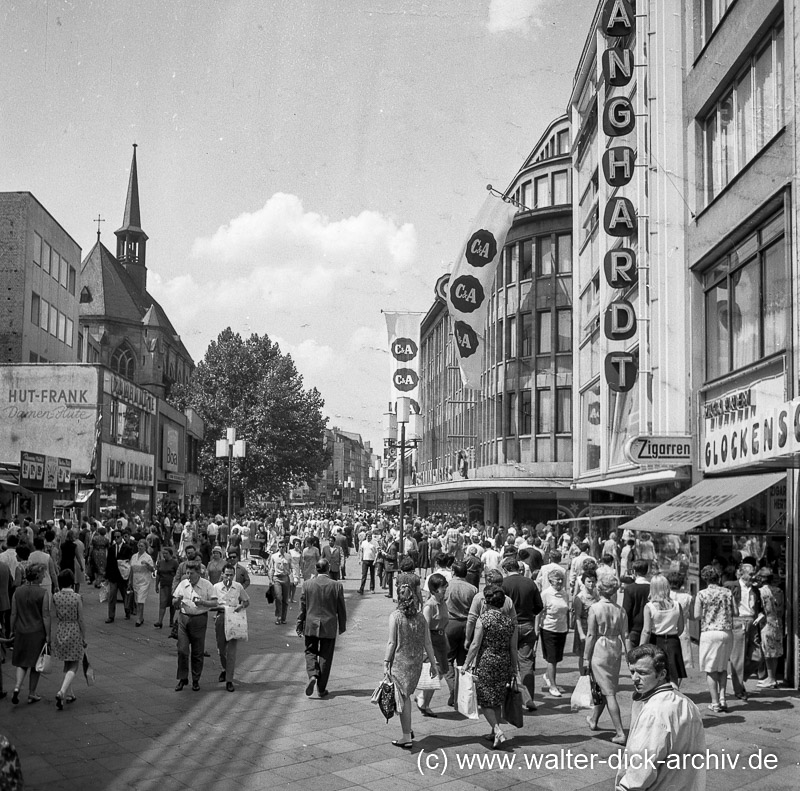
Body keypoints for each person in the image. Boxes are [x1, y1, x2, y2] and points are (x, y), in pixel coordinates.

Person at [615, 644, 706, 791]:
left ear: (662, 674)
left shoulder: (654, 712)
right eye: (632, 671)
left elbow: (642, 768)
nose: (634, 678)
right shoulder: (687, 703)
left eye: (643, 673)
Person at [463, 583, 519, 749]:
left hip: (486, 662)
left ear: (486, 602)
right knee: (496, 698)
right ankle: (494, 732)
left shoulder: (484, 620)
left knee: (485, 700)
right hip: (504, 662)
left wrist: (466, 663)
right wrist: (514, 668)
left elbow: (475, 644)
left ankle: (497, 729)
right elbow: (513, 648)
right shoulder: (510, 622)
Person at [384, 582, 438, 749]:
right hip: (416, 664)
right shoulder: (421, 617)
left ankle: (406, 736)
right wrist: (433, 664)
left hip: (400, 663)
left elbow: (392, 642)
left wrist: (386, 662)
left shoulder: (396, 617)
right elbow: (428, 643)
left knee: (403, 698)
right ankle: (408, 728)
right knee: (405, 696)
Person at [583, 575, 628, 744]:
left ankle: (620, 732)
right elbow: (626, 636)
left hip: (600, 648)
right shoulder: (620, 610)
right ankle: (594, 719)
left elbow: (590, 634)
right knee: (605, 686)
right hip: (614, 648)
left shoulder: (595, 608)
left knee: (609, 692)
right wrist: (630, 657)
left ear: (599, 589)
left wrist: (585, 657)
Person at [297, 558, 346, 698]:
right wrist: (342, 625)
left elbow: (302, 607)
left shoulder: (307, 585)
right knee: (326, 656)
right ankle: (321, 688)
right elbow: (341, 608)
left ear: (316, 569)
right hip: (329, 625)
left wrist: (299, 623)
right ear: (328, 568)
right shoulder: (336, 585)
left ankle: (312, 674)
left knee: (310, 651)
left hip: (311, 624)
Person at [501, 557, 543, 710]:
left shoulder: (503, 584)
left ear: (505, 570)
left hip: (508, 626)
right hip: (527, 625)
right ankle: (528, 699)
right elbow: (539, 606)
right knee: (526, 663)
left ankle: (506, 697)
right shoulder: (530, 583)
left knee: (505, 661)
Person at [695, 564, 736, 712]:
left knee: (710, 669)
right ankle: (723, 698)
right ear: (718, 577)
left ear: (704, 578)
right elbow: (735, 612)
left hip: (709, 632)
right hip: (726, 632)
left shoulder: (701, 594)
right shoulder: (727, 592)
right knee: (722, 667)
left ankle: (715, 702)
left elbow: (696, 615)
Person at [172, 560, 218, 691]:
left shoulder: (207, 585)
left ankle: (196, 679)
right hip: (183, 618)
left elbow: (215, 602)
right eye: (187, 573)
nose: (188, 576)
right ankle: (182, 678)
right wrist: (177, 600)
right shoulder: (183, 584)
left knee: (197, 652)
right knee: (182, 650)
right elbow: (174, 600)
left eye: (191, 573)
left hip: (199, 619)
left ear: (199, 573)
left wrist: (203, 602)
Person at [9, 563, 51, 704]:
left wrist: (11, 630)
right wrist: (48, 635)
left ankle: (17, 687)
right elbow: (45, 615)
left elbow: (13, 613)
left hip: (21, 630)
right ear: (38, 576)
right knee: (35, 664)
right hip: (37, 632)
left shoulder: (18, 591)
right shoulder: (43, 593)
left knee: (22, 663)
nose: (44, 577)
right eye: (43, 574)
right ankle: (32, 693)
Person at [639, 574, 686, 687]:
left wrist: (641, 647)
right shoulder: (676, 605)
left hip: (656, 640)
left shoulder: (649, 606)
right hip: (673, 641)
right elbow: (681, 628)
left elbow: (646, 631)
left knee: (657, 672)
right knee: (673, 674)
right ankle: (674, 694)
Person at [724, 562, 761, 701]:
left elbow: (759, 607)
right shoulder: (732, 586)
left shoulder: (755, 590)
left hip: (752, 622)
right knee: (737, 658)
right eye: (751, 574)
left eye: (754, 574)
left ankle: (739, 677)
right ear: (742, 573)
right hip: (738, 622)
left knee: (758, 656)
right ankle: (739, 690)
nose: (753, 576)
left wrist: (760, 615)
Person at [443, 561, 477, 706]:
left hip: (450, 623)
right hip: (467, 625)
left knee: (447, 659)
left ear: (453, 571)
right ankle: (462, 692)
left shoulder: (447, 586)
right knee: (463, 661)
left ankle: (453, 690)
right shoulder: (473, 589)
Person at [52, 569, 86, 709]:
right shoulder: (77, 597)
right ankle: (62, 691)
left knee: (67, 663)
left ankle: (69, 693)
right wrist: (84, 636)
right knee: (74, 664)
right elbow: (81, 619)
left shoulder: (56, 596)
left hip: (61, 630)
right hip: (73, 630)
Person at [213, 562, 250, 692]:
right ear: (222, 574)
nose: (228, 578)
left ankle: (229, 680)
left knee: (231, 652)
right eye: (226, 575)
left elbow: (246, 601)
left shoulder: (238, 587)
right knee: (221, 649)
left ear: (234, 575)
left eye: (231, 575)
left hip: (234, 619)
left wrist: (241, 606)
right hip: (221, 617)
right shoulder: (216, 587)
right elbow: (211, 604)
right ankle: (224, 668)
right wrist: (222, 607)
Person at [416, 572, 449, 716]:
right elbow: (425, 630)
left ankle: (422, 698)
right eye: (443, 588)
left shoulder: (442, 602)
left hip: (441, 640)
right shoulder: (429, 606)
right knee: (435, 674)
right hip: (432, 641)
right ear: (435, 589)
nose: (445, 590)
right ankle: (425, 703)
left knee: (441, 672)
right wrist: (426, 650)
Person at [537, 567, 570, 697]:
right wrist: (536, 630)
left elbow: (566, 610)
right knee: (552, 659)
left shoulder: (564, 594)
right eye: (557, 580)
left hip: (562, 629)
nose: (560, 582)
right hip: (548, 629)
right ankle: (553, 685)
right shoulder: (545, 594)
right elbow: (539, 613)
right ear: (550, 581)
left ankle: (547, 675)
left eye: (562, 580)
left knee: (557, 658)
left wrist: (568, 627)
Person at [755, 568, 784, 688]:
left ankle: (771, 678)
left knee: (767, 651)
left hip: (766, 623)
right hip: (777, 621)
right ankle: (772, 677)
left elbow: (762, 609)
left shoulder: (761, 591)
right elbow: (781, 608)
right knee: (775, 651)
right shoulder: (779, 591)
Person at [573, 569, 600, 675]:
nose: (591, 584)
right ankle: (583, 676)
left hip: (595, 627)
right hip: (584, 627)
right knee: (583, 655)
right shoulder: (579, 598)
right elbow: (577, 617)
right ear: (584, 582)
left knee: (594, 653)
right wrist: (581, 633)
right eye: (589, 581)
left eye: (593, 581)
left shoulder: (597, 594)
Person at [667, 571, 694, 669]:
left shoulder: (665, 596)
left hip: (667, 629)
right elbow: (693, 617)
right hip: (683, 631)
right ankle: (676, 684)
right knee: (681, 663)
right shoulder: (687, 597)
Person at [105, 529, 134, 623]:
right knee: (112, 596)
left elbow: (130, 562)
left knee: (125, 595)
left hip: (123, 576)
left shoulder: (127, 548)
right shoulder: (111, 548)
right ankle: (111, 616)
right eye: (115, 537)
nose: (116, 538)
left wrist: (129, 576)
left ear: (122, 537)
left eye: (118, 536)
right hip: (113, 576)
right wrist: (107, 576)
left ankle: (127, 611)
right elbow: (108, 562)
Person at [622, 560, 650, 649]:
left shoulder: (629, 589)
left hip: (633, 628)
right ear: (647, 571)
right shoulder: (652, 588)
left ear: (634, 572)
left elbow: (626, 610)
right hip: (650, 628)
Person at [129, 538, 155, 627]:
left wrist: (147, 565)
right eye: (139, 546)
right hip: (136, 580)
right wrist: (130, 581)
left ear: (145, 547)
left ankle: (139, 618)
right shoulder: (134, 556)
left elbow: (152, 569)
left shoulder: (148, 558)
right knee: (137, 599)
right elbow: (131, 570)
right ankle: (141, 616)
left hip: (144, 580)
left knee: (141, 598)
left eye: (142, 546)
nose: (140, 547)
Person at [268, 539, 293, 625]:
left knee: (285, 600)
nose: (282, 548)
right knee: (278, 598)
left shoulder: (288, 557)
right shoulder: (274, 556)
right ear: (278, 547)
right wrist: (270, 580)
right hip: (277, 578)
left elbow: (291, 568)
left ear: (286, 547)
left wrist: (293, 579)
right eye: (280, 547)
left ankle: (283, 618)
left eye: (283, 547)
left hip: (285, 578)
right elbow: (271, 568)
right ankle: (278, 617)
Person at [154, 546, 178, 629]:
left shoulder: (174, 563)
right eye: (163, 553)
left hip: (172, 586)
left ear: (170, 554)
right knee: (162, 603)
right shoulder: (160, 562)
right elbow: (158, 574)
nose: (164, 555)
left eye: (166, 553)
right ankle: (160, 621)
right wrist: (156, 584)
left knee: (172, 604)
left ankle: (171, 620)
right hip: (163, 585)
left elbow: (177, 574)